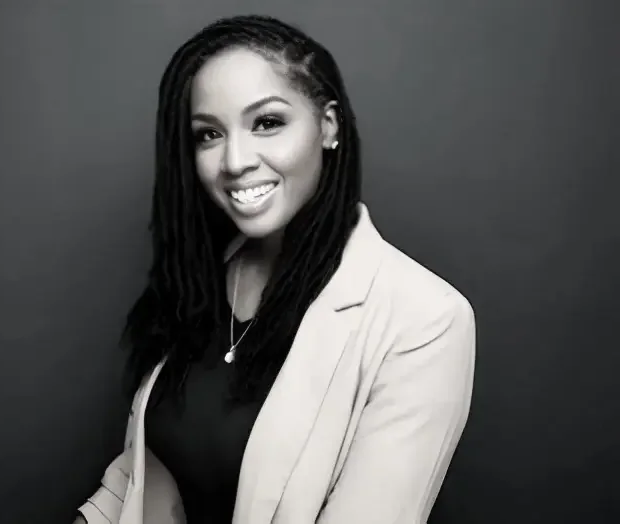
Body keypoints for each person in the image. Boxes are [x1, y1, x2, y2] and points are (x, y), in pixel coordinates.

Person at [74, 14, 476, 524]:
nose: (235, 160)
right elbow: (140, 479)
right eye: (209, 134)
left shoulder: (426, 321)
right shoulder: (199, 280)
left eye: (267, 122)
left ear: (328, 125)